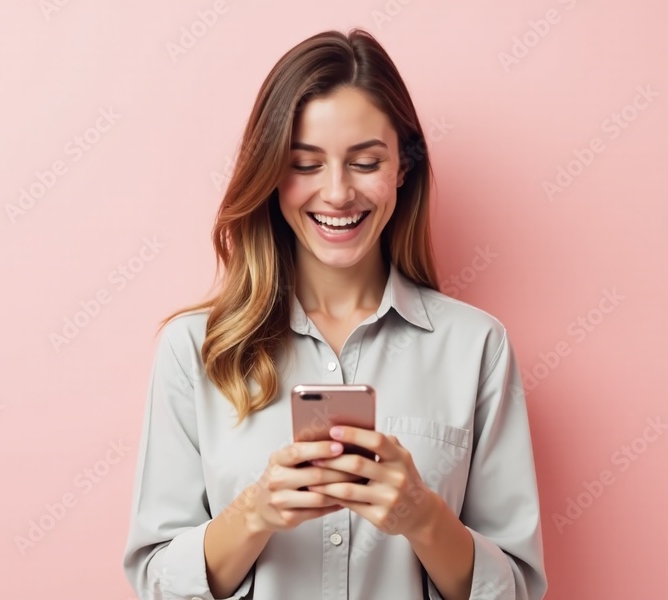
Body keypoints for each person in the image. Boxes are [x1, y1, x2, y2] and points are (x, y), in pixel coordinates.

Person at [123, 28, 547, 600]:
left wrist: (424, 517)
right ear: (272, 174)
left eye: (366, 161)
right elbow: (155, 584)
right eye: (305, 164)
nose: (338, 192)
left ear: (402, 167)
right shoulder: (193, 349)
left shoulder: (477, 347)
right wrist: (255, 512)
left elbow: (516, 590)